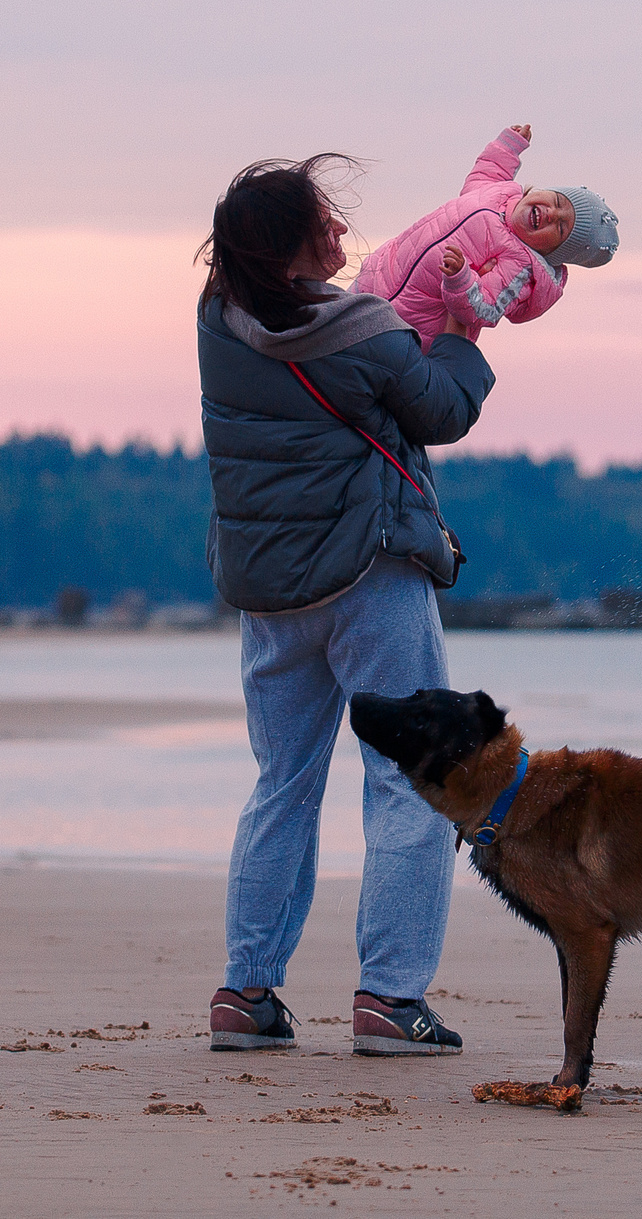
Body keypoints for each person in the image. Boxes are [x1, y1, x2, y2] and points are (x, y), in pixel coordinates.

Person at [195, 153, 494, 1057]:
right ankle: (390, 1001)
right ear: (290, 244)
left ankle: (246, 993)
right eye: (324, 220)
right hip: (372, 574)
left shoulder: (218, 320)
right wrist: (464, 330)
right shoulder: (361, 327)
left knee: (282, 784)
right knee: (410, 782)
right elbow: (441, 410)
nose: (340, 232)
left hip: (269, 588)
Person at [348, 123, 619, 349]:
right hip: (378, 276)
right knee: (332, 326)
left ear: (551, 254)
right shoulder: (499, 193)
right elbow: (489, 170)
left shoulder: (520, 266)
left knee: (350, 359)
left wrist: (461, 280)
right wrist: (508, 147)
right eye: (558, 201)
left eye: (561, 229)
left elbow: (485, 309)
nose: (551, 214)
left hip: (408, 326)